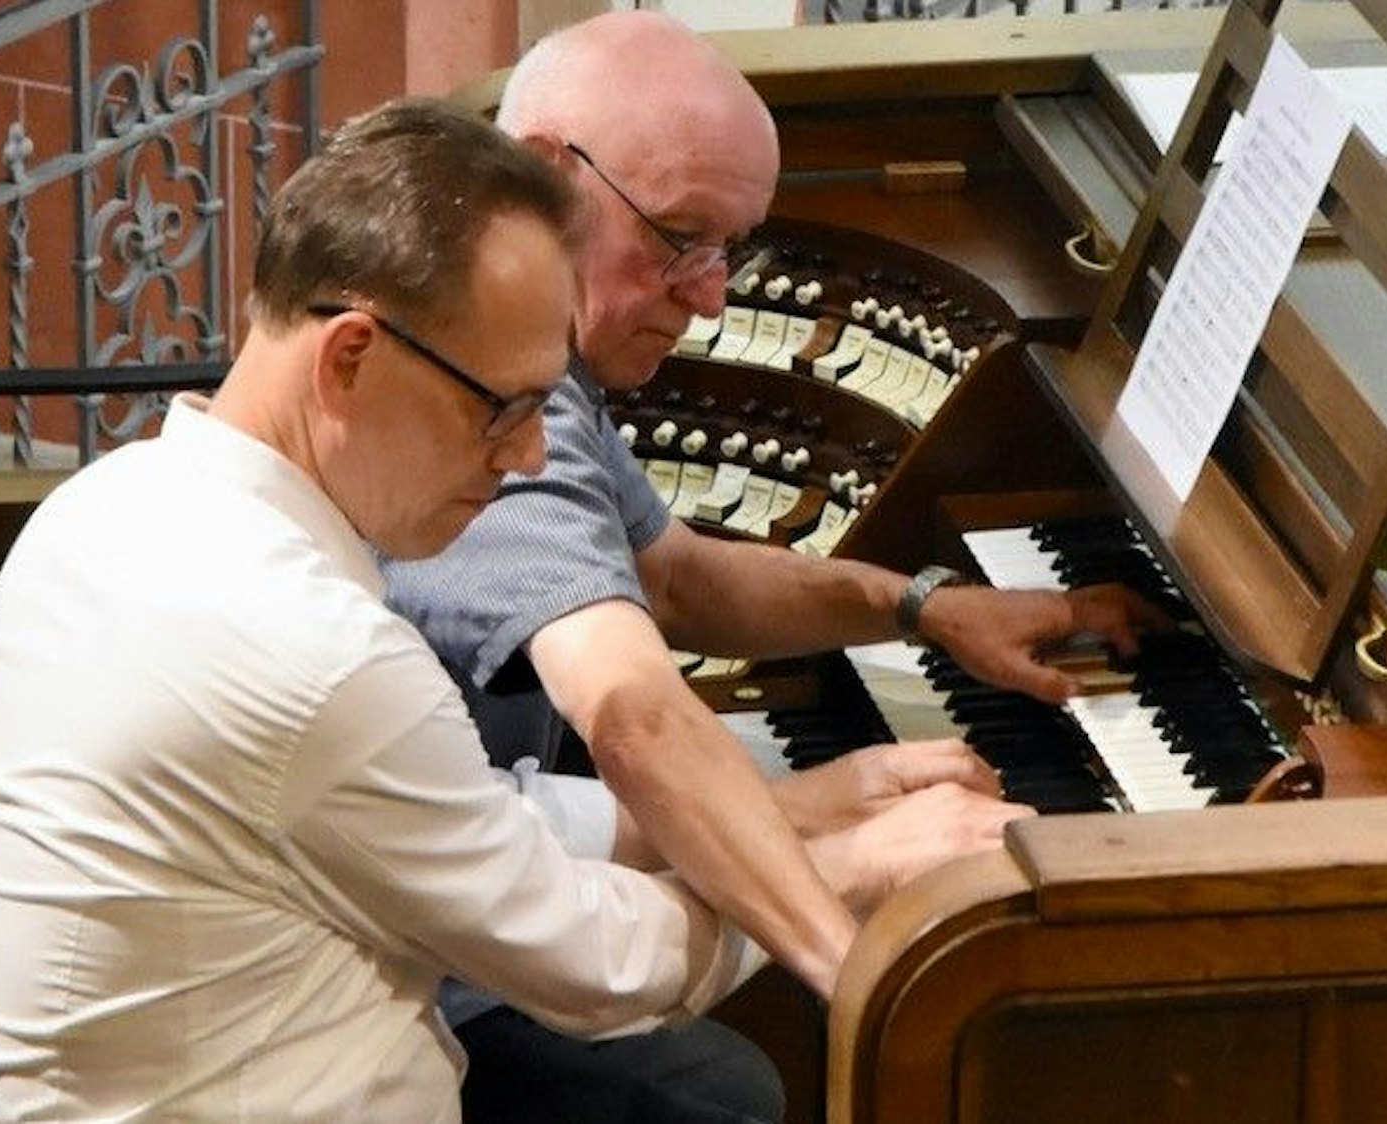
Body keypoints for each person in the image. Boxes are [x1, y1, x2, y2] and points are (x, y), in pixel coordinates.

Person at [0, 97, 1015, 1124]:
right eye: (501, 407)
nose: (529, 454)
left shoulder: (93, 515)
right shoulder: (316, 655)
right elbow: (593, 969)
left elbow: (475, 819)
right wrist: (857, 867)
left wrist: (807, 805)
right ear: (349, 357)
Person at [382, 11, 1167, 1123]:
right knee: (730, 1090)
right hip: (420, 980)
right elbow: (633, 716)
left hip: (480, 848)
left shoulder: (529, 349)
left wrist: (922, 607)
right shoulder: (499, 404)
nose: (709, 297)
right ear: (546, 175)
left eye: (729, 250)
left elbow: (679, 579)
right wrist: (863, 975)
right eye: (678, 238)